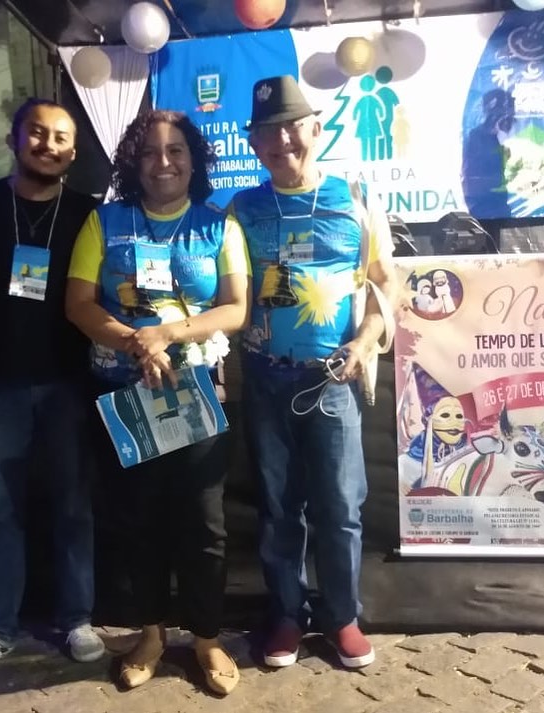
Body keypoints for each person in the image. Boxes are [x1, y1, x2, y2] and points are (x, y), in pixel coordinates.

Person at [65, 109, 251, 696]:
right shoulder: (103, 222)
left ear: (194, 160)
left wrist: (167, 334)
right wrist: (135, 342)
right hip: (124, 398)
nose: (162, 163)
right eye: (149, 152)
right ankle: (150, 636)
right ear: (132, 162)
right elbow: (78, 304)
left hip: (196, 397)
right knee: (137, 522)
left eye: (175, 151)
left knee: (203, 525)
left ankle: (207, 639)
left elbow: (236, 308)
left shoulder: (218, 225)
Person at [230, 75, 398, 670]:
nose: (282, 141)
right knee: (279, 506)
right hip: (264, 377)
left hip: (332, 380)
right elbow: (224, 290)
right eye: (267, 133)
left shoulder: (355, 198)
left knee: (341, 506)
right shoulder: (241, 209)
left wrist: (364, 342)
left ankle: (342, 616)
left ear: (317, 129)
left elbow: (386, 285)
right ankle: (286, 615)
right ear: (253, 145)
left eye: (292, 127)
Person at [0, 97, 105, 683]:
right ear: (14, 138)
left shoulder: (89, 212)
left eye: (60, 137)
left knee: (73, 506)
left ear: (73, 152)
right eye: (37, 132)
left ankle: (77, 618)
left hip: (70, 384)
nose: (48, 144)